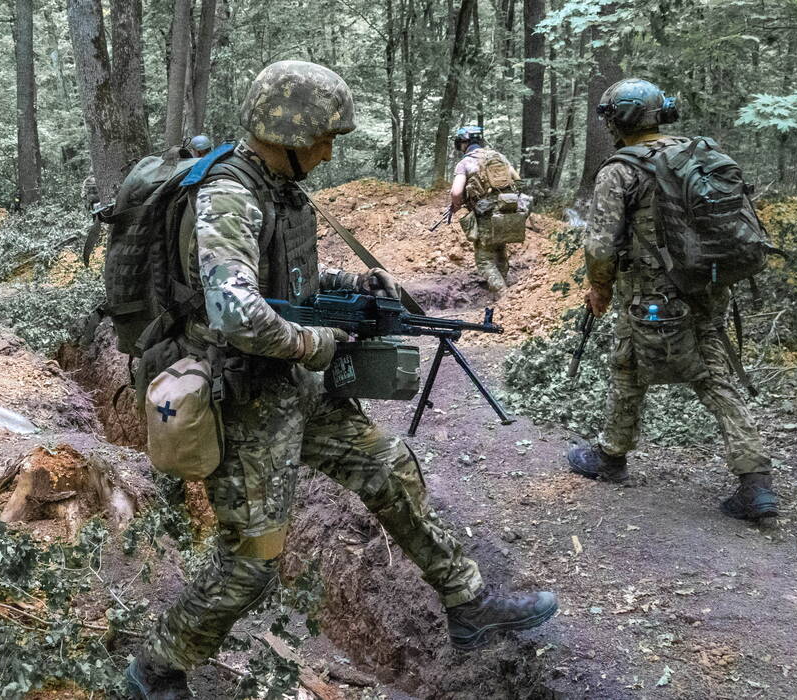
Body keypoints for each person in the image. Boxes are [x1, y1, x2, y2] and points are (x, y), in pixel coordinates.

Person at [126, 60, 557, 699]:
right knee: (250, 566)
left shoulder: (281, 190)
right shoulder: (229, 195)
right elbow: (235, 312)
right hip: (242, 399)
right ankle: (157, 667)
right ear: (289, 131)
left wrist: (356, 286)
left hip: (294, 387)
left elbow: (287, 287)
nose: (331, 150)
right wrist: (317, 344)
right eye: (325, 137)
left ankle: (468, 605)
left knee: (389, 466)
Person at [565, 78, 779, 523]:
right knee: (710, 369)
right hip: (708, 286)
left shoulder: (620, 170)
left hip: (649, 293)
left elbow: (600, 246)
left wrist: (599, 287)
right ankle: (753, 481)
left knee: (631, 363)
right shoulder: (697, 154)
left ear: (617, 120)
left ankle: (613, 457)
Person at [449, 126, 526, 295]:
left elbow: (456, 192)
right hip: (506, 210)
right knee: (500, 249)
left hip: (485, 215)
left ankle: (504, 295)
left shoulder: (465, 163)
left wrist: (458, 205)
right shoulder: (499, 157)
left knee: (484, 260)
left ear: (464, 143)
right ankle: (505, 287)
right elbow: (518, 181)